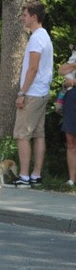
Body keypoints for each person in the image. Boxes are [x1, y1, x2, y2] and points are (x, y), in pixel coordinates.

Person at [12, 0, 54, 188]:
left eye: (25, 15)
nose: (23, 18)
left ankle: (24, 176)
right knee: (39, 135)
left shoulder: (36, 38)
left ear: (34, 17)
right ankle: (36, 175)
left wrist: (22, 92)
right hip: (42, 92)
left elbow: (33, 67)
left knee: (22, 135)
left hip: (32, 93)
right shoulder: (44, 36)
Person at [57, 45, 76, 186]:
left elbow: (69, 79)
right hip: (71, 97)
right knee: (70, 141)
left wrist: (74, 82)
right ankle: (72, 179)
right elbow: (61, 70)